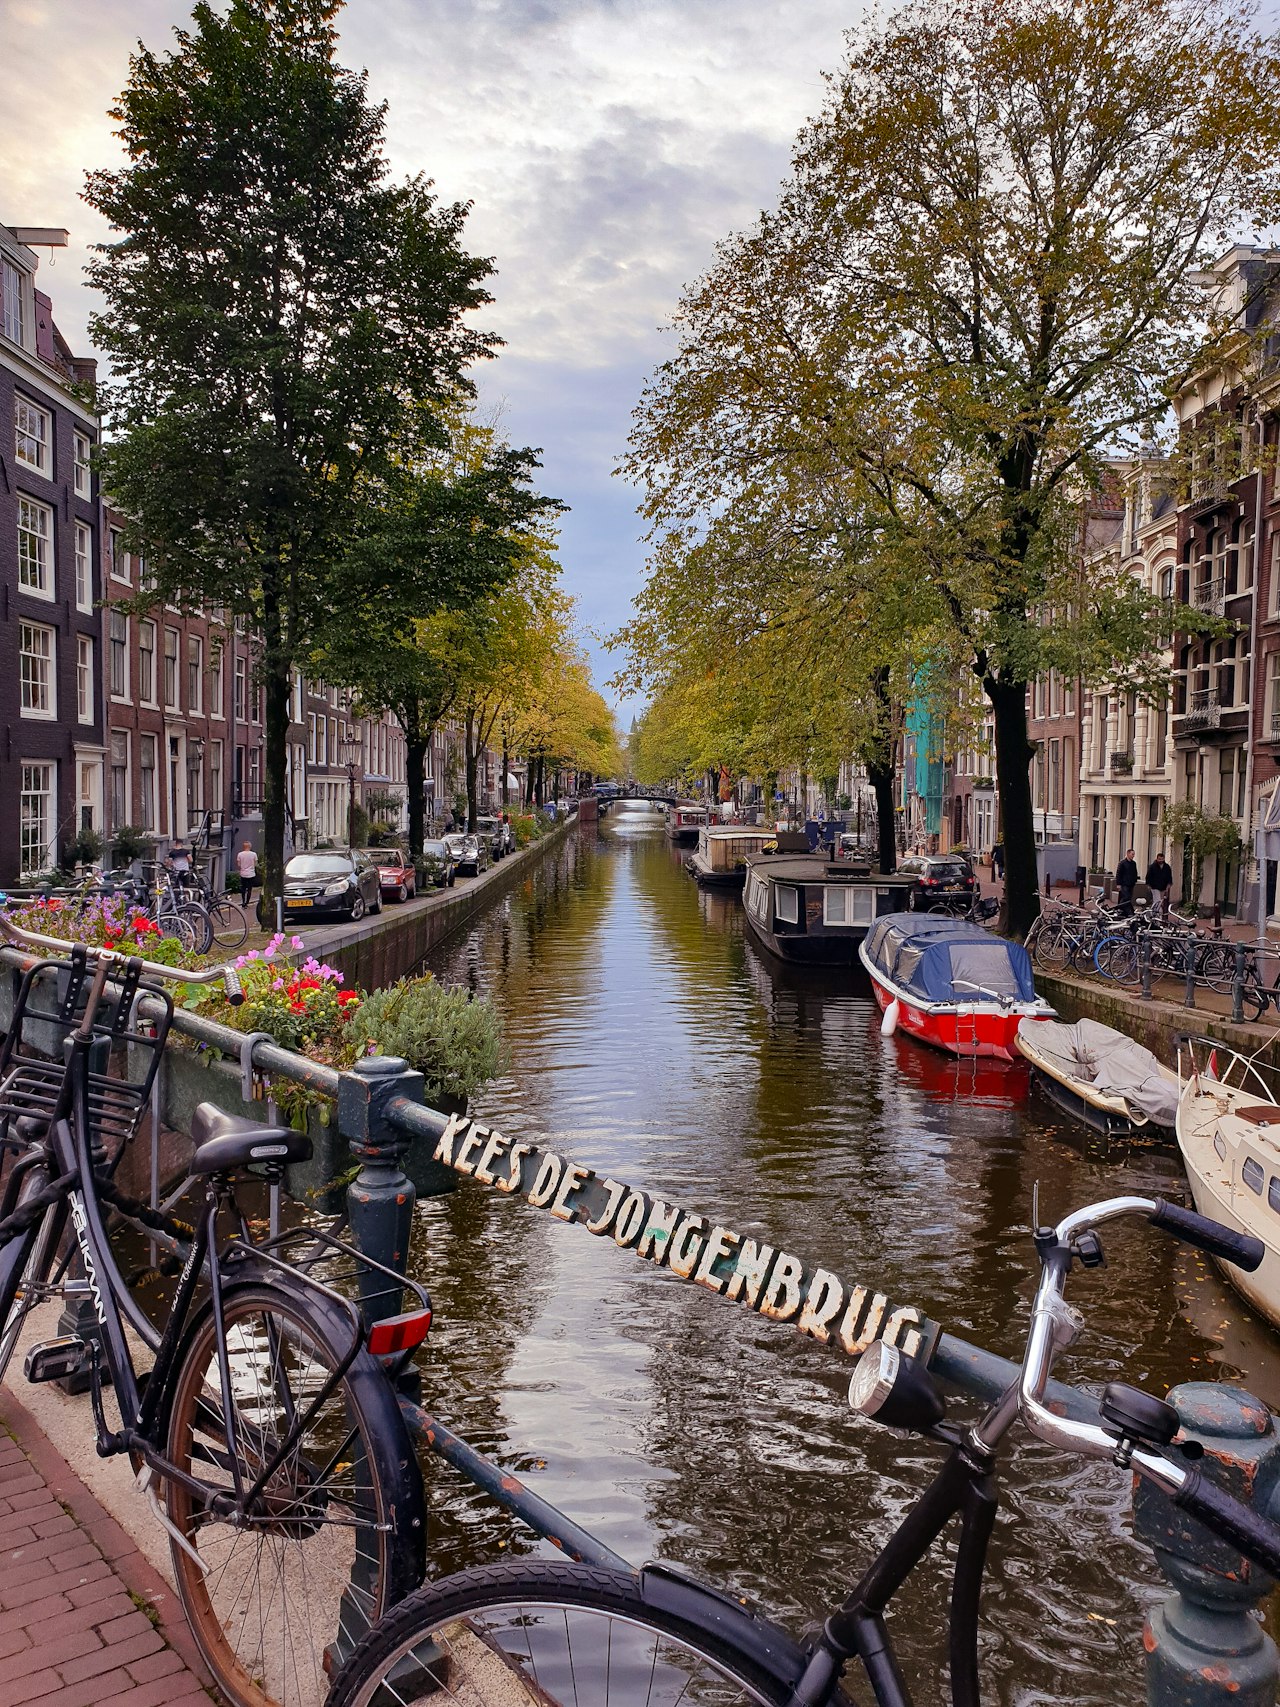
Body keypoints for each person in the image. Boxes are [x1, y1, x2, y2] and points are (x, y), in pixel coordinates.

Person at [1145, 851, 1173, 919]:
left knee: (1162, 901)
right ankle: (1157, 915)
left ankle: (1155, 914)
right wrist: (1148, 884)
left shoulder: (1167, 867)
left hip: (1163, 887)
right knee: (1157, 900)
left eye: (1162, 859)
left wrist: (1169, 885)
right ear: (1157, 859)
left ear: (1164, 859)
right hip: (1154, 886)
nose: (1161, 860)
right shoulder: (1152, 867)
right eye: (1159, 859)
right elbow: (1148, 876)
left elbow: (1169, 877)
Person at [1115, 847, 1139, 916]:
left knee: (1128, 897)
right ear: (1128, 854)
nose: (1133, 856)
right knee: (1126, 897)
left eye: (1134, 854)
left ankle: (1122, 910)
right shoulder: (1122, 863)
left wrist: (1135, 880)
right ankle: (1127, 911)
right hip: (1124, 884)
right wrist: (1118, 884)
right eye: (1132, 854)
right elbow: (1118, 873)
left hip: (1131, 884)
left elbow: (1135, 872)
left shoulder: (1134, 863)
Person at [236, 840, 259, 910]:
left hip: (243, 874)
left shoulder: (240, 854)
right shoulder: (254, 854)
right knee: (249, 889)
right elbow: (256, 864)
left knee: (243, 888)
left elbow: (238, 864)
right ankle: (247, 903)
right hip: (251, 874)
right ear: (250, 846)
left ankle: (243, 902)